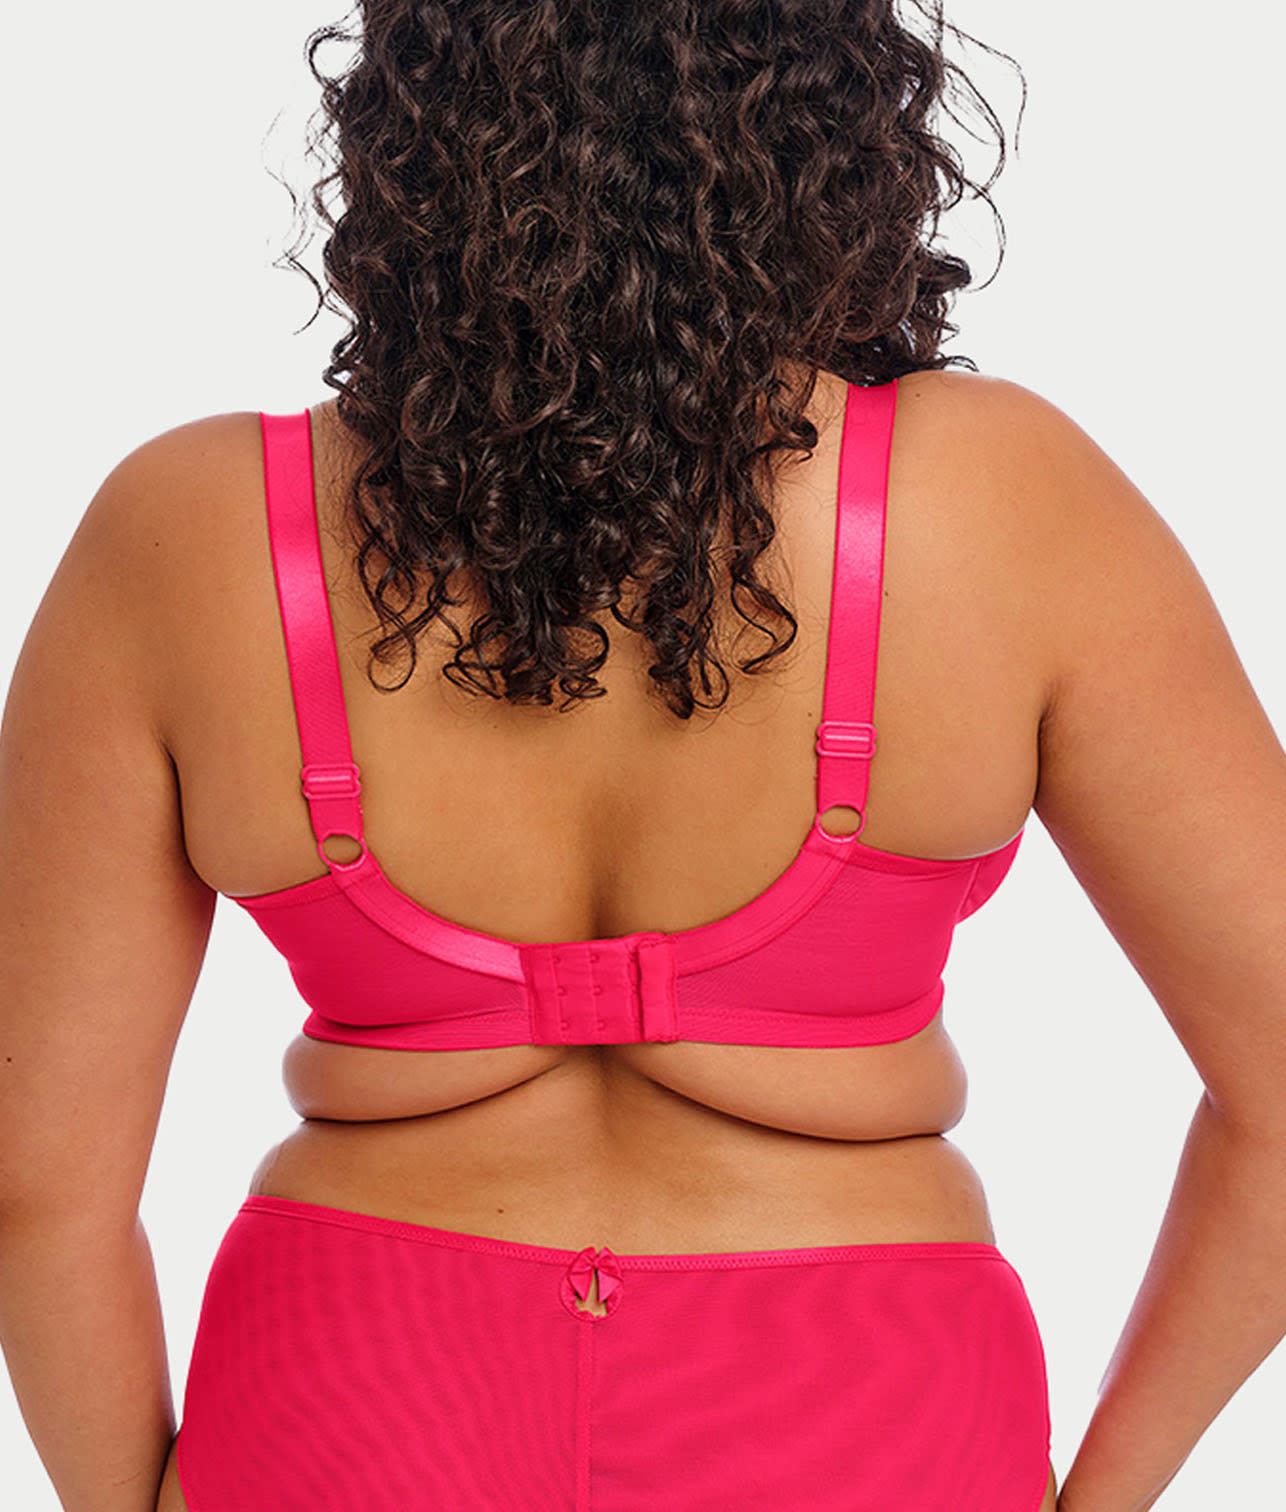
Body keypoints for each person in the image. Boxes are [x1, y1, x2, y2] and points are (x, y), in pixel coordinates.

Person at [2, 5, 1284, 1511]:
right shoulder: (1005, 500)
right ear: (833, 124)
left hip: (356, 1407)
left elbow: (35, 1183)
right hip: (854, 1406)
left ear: (411, 127)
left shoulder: (186, 530)